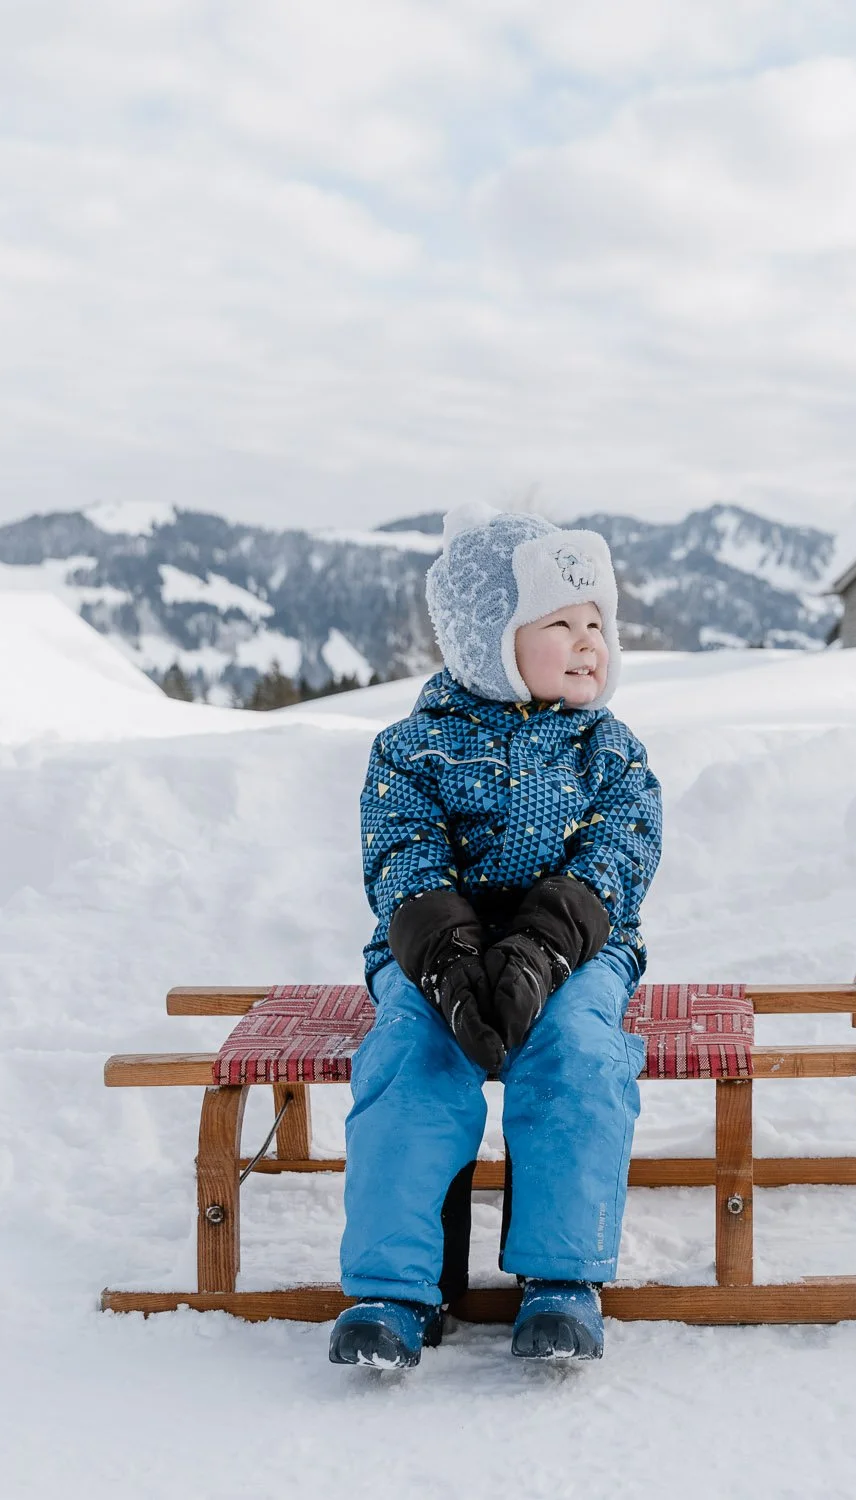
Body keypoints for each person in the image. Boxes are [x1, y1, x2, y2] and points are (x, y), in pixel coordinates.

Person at [328, 503, 662, 1369]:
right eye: (560, 621)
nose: (590, 640)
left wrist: (546, 946)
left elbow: (620, 855)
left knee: (578, 1057)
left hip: (577, 950)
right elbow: (402, 857)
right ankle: (393, 1289)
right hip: (437, 950)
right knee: (414, 1063)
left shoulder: (611, 754)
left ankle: (561, 1282)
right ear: (486, 639)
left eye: (598, 621)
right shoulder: (413, 750)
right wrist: (449, 956)